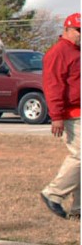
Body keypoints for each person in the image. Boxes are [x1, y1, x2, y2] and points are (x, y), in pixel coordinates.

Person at [41, 12, 80, 220]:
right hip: (72, 114)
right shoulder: (58, 52)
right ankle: (53, 194)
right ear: (66, 30)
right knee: (79, 157)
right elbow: (53, 86)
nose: (81, 35)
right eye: (78, 31)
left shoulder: (77, 51)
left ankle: (78, 209)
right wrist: (56, 115)